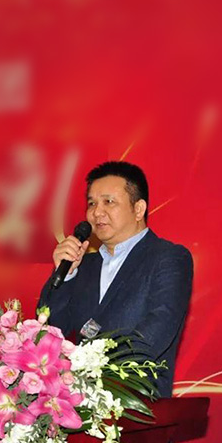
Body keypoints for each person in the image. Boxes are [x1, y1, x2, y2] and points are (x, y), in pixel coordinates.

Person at [39, 161, 193, 397]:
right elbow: (48, 331)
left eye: (108, 202)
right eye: (92, 203)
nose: (96, 212)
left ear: (138, 209)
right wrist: (65, 275)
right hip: (73, 404)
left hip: (134, 403)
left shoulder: (168, 258)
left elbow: (154, 335)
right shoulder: (83, 266)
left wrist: (84, 373)